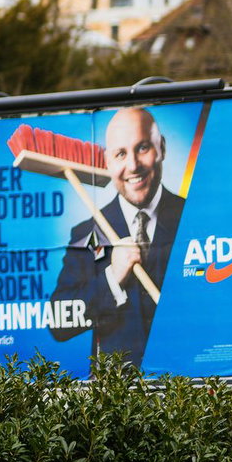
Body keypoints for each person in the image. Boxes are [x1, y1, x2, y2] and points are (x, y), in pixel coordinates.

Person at [49, 105, 185, 369]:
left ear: (162, 148)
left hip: (187, 383)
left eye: (143, 148)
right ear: (107, 161)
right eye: (120, 153)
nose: (132, 165)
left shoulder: (194, 219)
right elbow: (58, 323)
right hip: (118, 396)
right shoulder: (85, 233)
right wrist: (112, 277)